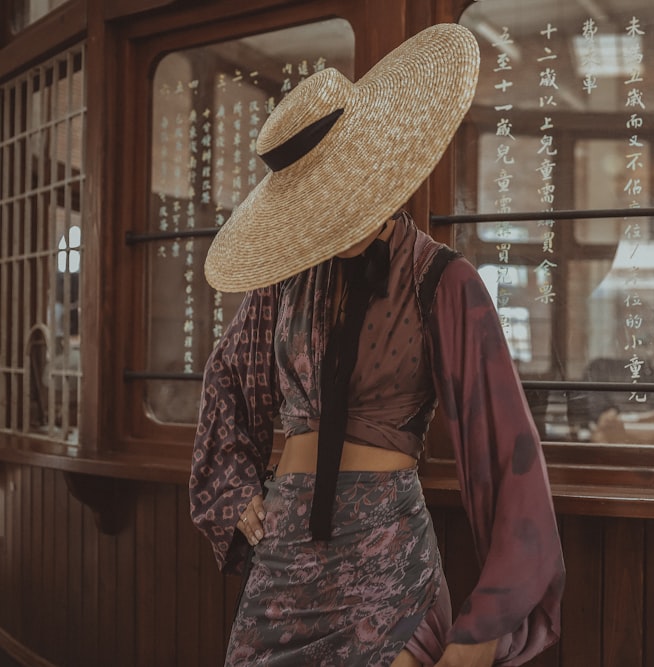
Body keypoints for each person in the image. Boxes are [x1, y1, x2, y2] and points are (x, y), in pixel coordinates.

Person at [189, 23, 565, 667]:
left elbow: (511, 457)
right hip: (282, 566)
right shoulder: (282, 284)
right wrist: (234, 484)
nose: (323, 217)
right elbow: (226, 377)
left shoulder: (444, 281)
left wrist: (477, 635)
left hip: (386, 567)